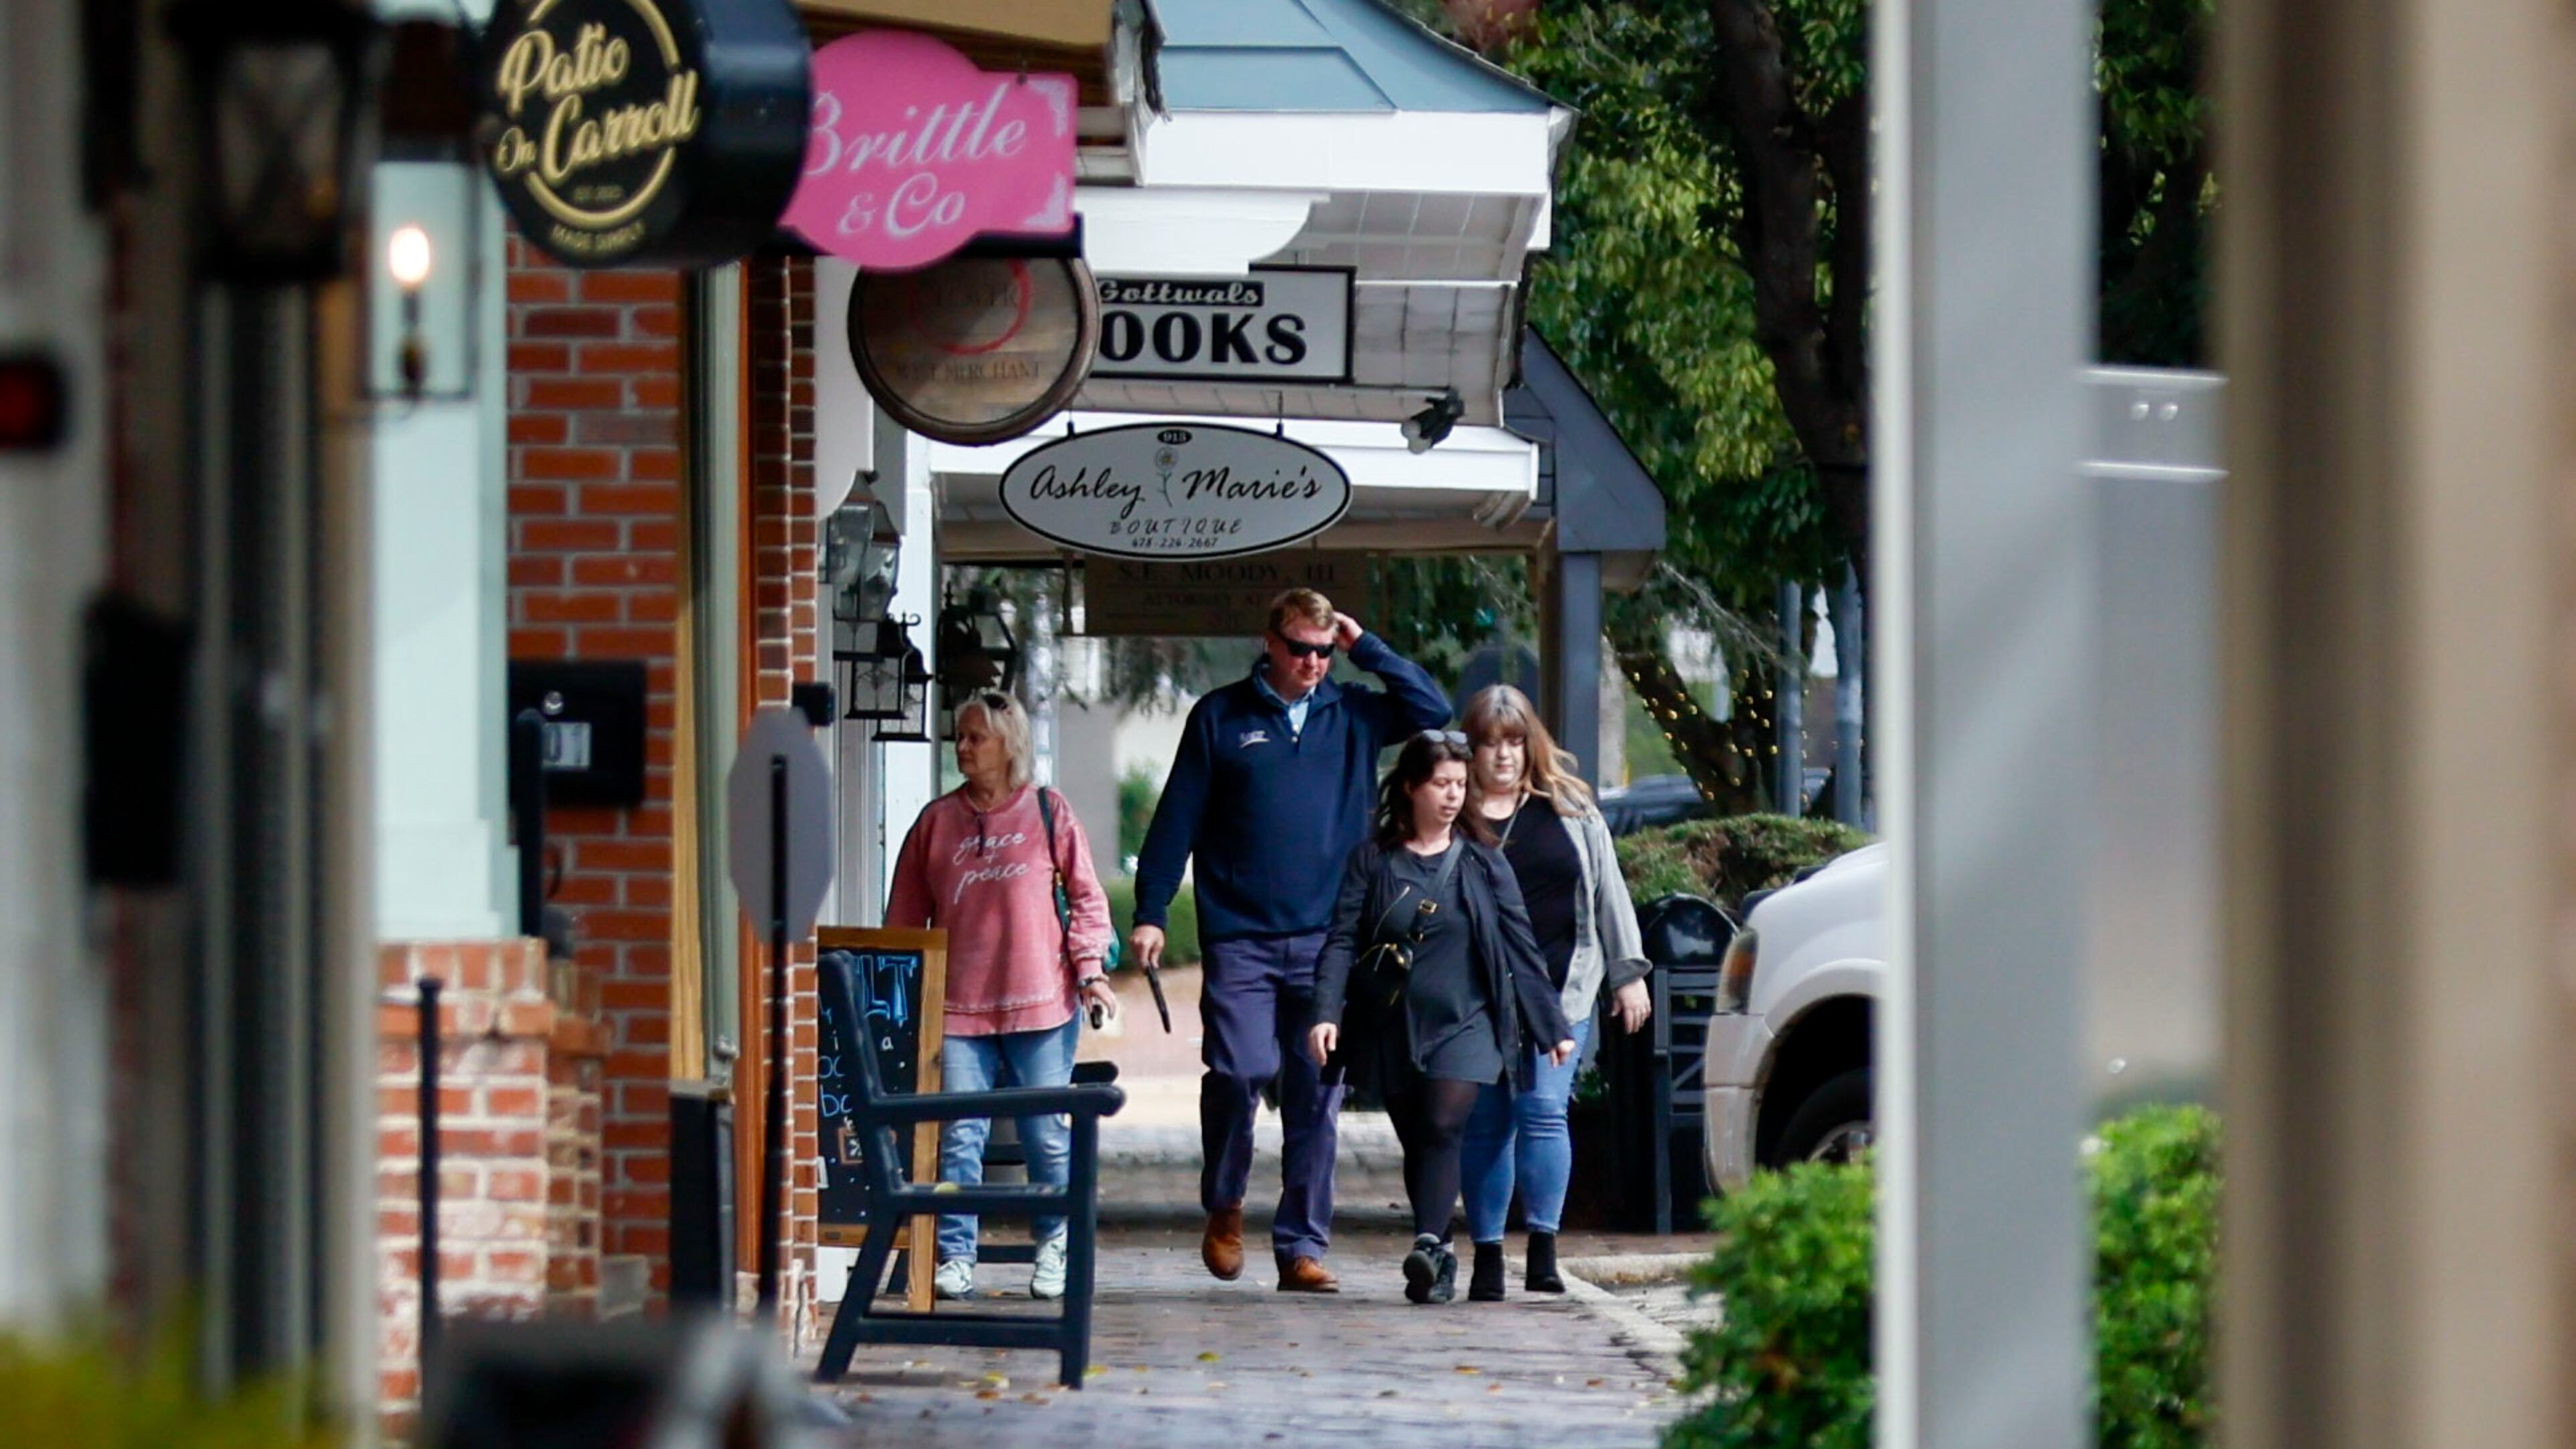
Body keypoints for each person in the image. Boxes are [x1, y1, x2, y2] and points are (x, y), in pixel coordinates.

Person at [1130, 588, 1451, 1292]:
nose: (1312, 663)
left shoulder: (1355, 712)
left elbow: (1434, 713)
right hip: (1241, 935)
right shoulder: (1220, 717)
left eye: (1323, 650)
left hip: (1330, 940)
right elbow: (1177, 818)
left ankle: (1301, 1247)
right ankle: (1225, 1203)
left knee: (1317, 1094)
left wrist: (1365, 647)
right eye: (1301, 648)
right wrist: (1151, 911)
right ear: (1271, 643)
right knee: (1239, 1071)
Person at [1307, 731, 1577, 1303]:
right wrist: (1326, 1013)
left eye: (1461, 785)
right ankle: (1439, 1252)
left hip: (1469, 1022)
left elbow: (1520, 944)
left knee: (1443, 1126)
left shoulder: (1483, 860)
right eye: (1442, 784)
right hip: (1393, 1025)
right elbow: (1341, 941)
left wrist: (1551, 1026)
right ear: (1411, 787)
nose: (1454, 795)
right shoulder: (1374, 860)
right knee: (1420, 1140)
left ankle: (1429, 1242)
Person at [886, 690, 1119, 1303]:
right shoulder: (936, 823)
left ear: (1007, 744)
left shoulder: (1048, 812)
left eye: (975, 737)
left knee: (1045, 1133)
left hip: (1041, 1004)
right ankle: (956, 1254)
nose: (962, 747)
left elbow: (1089, 899)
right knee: (961, 1134)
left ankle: (1054, 1246)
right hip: (959, 1009)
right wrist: (898, 1000)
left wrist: (1090, 970)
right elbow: (903, 925)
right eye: (959, 736)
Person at [1452, 685, 1652, 1301]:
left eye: (1514, 742)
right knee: (1486, 1125)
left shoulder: (1570, 810)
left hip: (1561, 991)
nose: (1503, 756)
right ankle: (1487, 1254)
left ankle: (1543, 1249)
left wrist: (1628, 973)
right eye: (1490, 744)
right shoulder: (1454, 812)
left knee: (1543, 1111)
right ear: (1472, 749)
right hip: (1477, 996)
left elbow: (1608, 892)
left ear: (1531, 745)